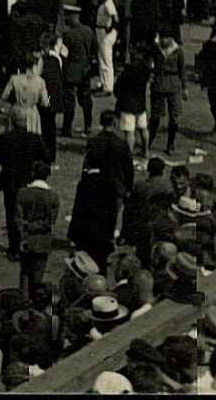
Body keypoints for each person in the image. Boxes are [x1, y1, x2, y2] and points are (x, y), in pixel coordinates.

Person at [67, 111, 134, 266]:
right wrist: (128, 188)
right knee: (111, 216)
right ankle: (106, 242)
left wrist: (85, 182)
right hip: (116, 186)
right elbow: (128, 168)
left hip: (95, 185)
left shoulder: (94, 141)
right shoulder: (121, 143)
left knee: (94, 214)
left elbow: (87, 164)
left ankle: (91, 240)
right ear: (115, 123)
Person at [0, 115, 45, 260]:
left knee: (11, 214)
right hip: (29, 181)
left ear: (13, 122)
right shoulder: (35, 138)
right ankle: (27, 245)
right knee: (29, 215)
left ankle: (14, 248)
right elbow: (45, 156)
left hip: (10, 181)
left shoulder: (5, 137)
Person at [14, 160, 60, 299]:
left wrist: (25, 231)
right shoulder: (53, 197)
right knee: (38, 273)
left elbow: (18, 218)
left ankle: (24, 299)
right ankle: (36, 301)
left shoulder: (22, 193)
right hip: (42, 240)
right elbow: (50, 222)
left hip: (26, 239)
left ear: (33, 173)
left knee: (25, 272)